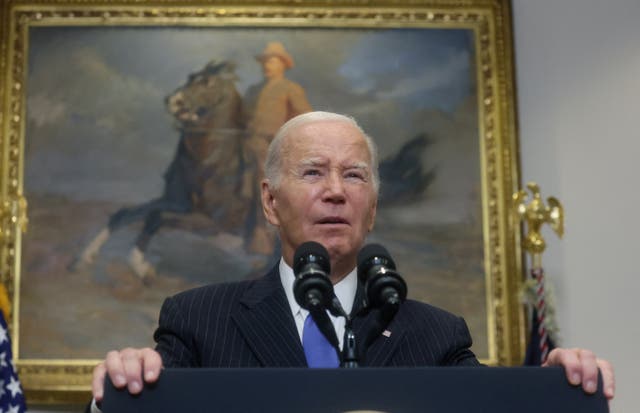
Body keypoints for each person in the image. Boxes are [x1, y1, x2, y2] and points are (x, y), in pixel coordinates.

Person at [90, 111, 615, 411]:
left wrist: (556, 386)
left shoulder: (434, 335)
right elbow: (147, 405)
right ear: (271, 202)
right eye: (314, 172)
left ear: (373, 208)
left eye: (355, 175)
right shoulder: (197, 320)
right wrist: (125, 382)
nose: (336, 192)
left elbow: (491, 407)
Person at [242, 41, 313, 255]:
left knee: (266, 192)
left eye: (272, 61)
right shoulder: (253, 90)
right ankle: (249, 241)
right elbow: (241, 119)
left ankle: (270, 246)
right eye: (265, 61)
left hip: (273, 150)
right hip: (247, 148)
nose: (267, 65)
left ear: (283, 64)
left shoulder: (291, 89)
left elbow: (305, 120)